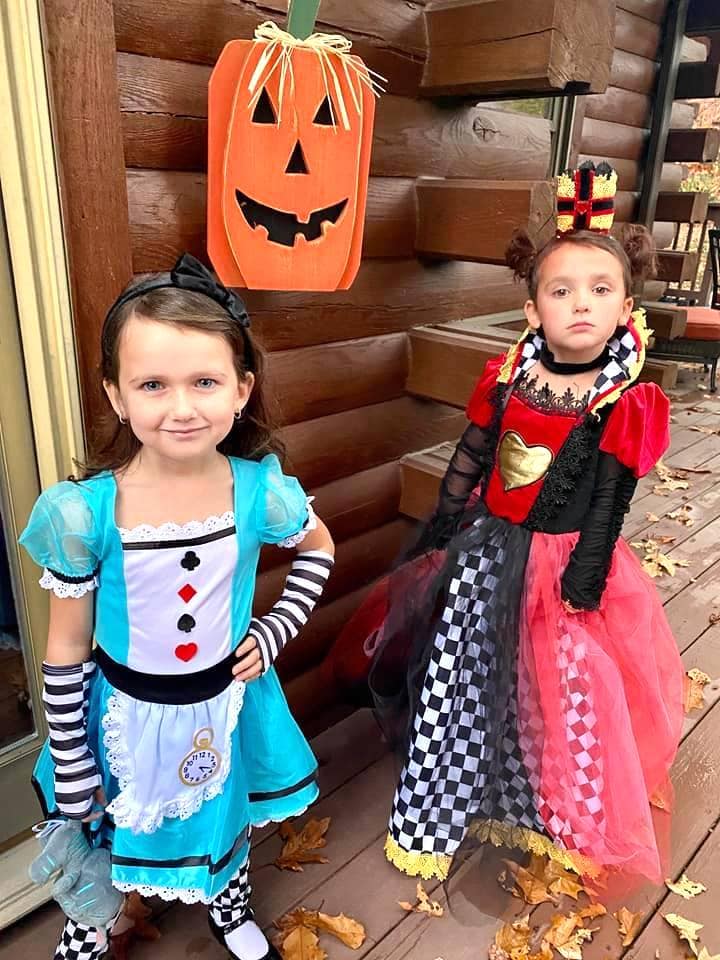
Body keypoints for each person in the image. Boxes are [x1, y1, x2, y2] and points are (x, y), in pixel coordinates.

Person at [370, 162, 685, 892]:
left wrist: (588, 573)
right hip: (490, 554)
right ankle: (441, 810)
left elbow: (610, 499)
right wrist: (445, 524)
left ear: (626, 305)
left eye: (599, 290)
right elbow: (473, 456)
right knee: (465, 674)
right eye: (561, 290)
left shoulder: (623, 400)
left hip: (567, 563)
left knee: (565, 687)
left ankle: (565, 813)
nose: (580, 304)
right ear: (533, 308)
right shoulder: (509, 377)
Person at [19, 254, 335, 960]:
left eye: (205, 381)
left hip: (223, 706)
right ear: (116, 395)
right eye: (153, 385)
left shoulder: (260, 492)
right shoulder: (84, 513)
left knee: (225, 817)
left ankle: (230, 905)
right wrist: (71, 758)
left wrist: (276, 628)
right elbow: (66, 647)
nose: (182, 407)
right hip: (121, 715)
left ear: (242, 389)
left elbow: (318, 548)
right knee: (105, 832)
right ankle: (92, 925)